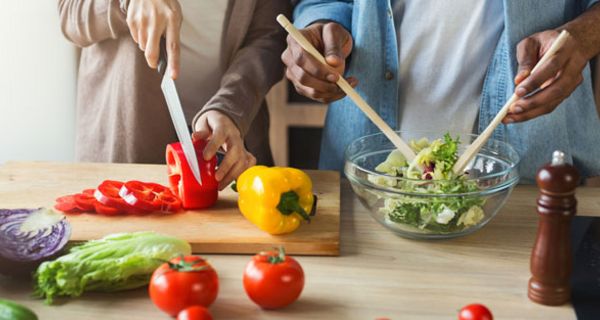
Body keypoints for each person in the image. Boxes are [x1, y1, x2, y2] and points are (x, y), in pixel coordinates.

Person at [283, 0, 600, 182]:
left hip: (531, 178)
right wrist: (319, 28)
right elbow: (322, 2)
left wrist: (583, 37)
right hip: (366, 181)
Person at [58, 0, 291, 189]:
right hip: (126, 142)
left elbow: (267, 38)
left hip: (230, 142)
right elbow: (69, 14)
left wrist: (231, 107)